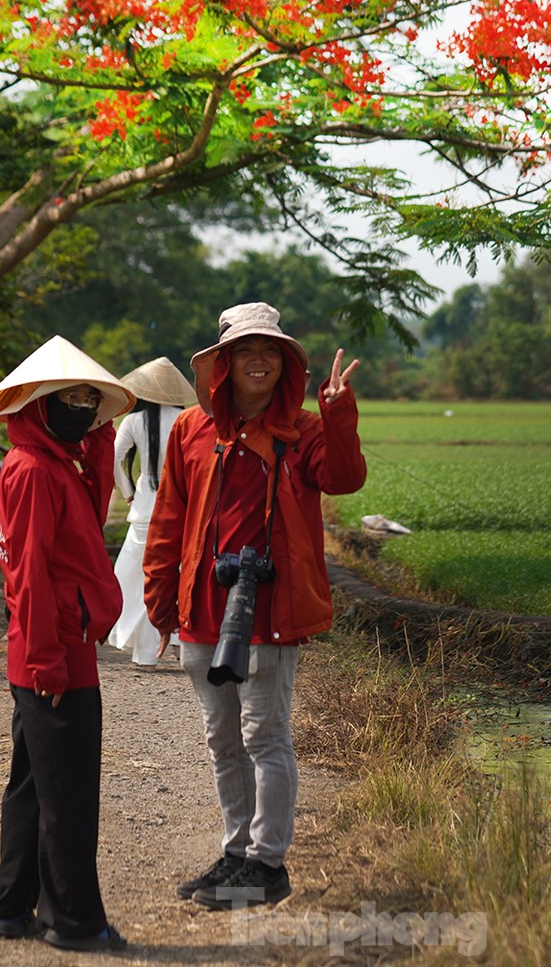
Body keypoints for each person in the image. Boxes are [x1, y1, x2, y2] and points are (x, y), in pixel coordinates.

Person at [143, 302, 364, 910]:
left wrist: (339, 411)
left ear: (285, 362)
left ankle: (268, 864)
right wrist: (162, 599)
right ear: (224, 363)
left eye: (270, 350)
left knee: (264, 735)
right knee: (223, 739)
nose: (259, 360)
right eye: (246, 350)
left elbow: (345, 478)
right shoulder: (192, 429)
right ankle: (236, 851)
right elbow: (169, 519)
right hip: (203, 611)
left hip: (269, 611)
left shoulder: (306, 430)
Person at [0, 336, 137, 953]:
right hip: (54, 654)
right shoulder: (34, 472)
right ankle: (73, 920)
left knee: (31, 783)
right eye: (67, 399)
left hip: (51, 648)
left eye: (86, 400)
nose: (78, 408)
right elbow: (28, 574)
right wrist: (46, 657)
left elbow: (90, 515)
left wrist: (97, 439)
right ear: (38, 405)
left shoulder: (55, 465)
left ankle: (10, 906)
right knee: (68, 793)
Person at [107, 357, 198, 667]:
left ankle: (146, 653)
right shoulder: (187, 420)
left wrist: (129, 492)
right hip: (182, 509)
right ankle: (179, 644)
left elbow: (114, 460)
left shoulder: (133, 422)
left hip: (145, 509)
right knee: (180, 575)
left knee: (140, 577)